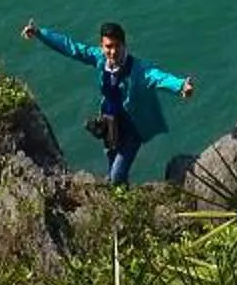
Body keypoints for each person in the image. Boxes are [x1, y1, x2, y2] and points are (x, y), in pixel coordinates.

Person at [21, 17, 196, 185]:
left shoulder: (139, 70)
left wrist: (180, 86)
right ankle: (124, 196)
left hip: (132, 129)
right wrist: (40, 33)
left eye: (117, 46)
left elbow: (158, 77)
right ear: (102, 46)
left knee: (115, 176)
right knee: (113, 165)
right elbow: (71, 47)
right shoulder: (101, 59)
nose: (112, 51)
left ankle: (120, 197)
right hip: (110, 124)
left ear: (124, 45)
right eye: (108, 46)